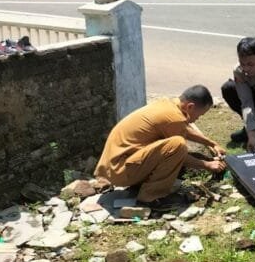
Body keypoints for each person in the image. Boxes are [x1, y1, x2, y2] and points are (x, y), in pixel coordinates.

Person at [94, 85, 226, 207]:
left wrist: (212, 143)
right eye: (200, 114)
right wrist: (207, 165)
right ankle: (149, 197)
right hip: (120, 171)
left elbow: (184, 130)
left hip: (113, 167)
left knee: (174, 144)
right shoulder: (174, 118)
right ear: (190, 107)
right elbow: (179, 153)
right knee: (178, 145)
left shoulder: (167, 105)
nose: (198, 118)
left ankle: (141, 185)